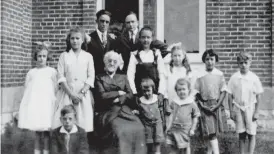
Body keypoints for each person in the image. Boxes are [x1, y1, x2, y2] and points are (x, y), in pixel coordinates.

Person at [94, 51, 146, 154]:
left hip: (125, 110)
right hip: (109, 111)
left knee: (139, 127)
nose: (112, 64)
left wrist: (119, 99)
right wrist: (118, 92)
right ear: (105, 62)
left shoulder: (123, 77)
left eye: (114, 61)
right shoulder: (99, 78)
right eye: (109, 61)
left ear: (118, 64)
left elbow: (130, 94)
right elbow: (102, 96)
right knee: (119, 131)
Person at [52, 27, 94, 133]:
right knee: (66, 122)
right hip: (67, 93)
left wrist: (81, 93)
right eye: (72, 38)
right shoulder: (64, 56)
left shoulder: (88, 56)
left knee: (82, 124)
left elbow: (90, 77)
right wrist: (71, 94)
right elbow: (61, 77)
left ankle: (80, 147)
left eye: (77, 38)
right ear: (69, 40)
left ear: (82, 40)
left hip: (82, 95)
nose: (75, 41)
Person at [18, 41, 57, 154]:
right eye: (39, 56)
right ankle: (36, 152)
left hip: (46, 105)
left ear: (47, 57)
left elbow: (55, 88)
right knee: (37, 132)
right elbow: (27, 90)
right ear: (36, 57)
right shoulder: (31, 73)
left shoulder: (52, 72)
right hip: (35, 105)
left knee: (45, 132)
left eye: (44, 56)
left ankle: (45, 151)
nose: (41, 58)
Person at [227, 51, 263, 154]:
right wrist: (231, 111)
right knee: (241, 133)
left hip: (250, 108)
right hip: (238, 108)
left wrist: (257, 111)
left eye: (246, 62)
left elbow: (258, 95)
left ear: (250, 63)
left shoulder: (254, 78)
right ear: (238, 63)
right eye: (241, 62)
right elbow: (229, 95)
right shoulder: (234, 78)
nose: (243, 65)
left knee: (251, 133)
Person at [194, 49, 227, 154]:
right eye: (207, 59)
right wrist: (202, 105)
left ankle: (213, 152)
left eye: (212, 59)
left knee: (212, 132)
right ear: (204, 61)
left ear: (215, 60)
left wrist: (217, 105)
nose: (209, 62)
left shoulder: (219, 74)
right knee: (209, 131)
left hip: (216, 105)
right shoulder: (200, 75)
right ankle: (211, 151)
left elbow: (223, 91)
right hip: (205, 106)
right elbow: (196, 91)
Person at [132, 78, 170, 154]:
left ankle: (157, 152)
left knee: (157, 142)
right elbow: (141, 112)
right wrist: (136, 112)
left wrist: (164, 121)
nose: (146, 93)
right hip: (147, 124)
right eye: (144, 91)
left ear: (153, 89)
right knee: (148, 142)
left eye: (148, 90)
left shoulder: (157, 99)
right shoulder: (140, 100)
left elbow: (161, 110)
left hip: (157, 124)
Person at [127, 26, 165, 96]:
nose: (146, 40)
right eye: (143, 37)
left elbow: (162, 74)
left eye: (148, 37)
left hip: (155, 92)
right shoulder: (135, 55)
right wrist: (134, 93)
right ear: (140, 38)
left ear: (152, 39)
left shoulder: (156, 54)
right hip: (139, 92)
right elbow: (130, 76)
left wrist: (161, 92)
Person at [166, 78, 200, 154]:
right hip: (175, 128)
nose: (182, 91)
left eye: (184, 89)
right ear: (176, 91)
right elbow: (171, 116)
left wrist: (193, 129)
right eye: (179, 90)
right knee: (174, 147)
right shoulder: (174, 102)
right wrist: (168, 126)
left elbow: (195, 117)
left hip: (185, 129)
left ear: (188, 90)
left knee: (186, 146)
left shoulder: (191, 103)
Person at [87, 9, 117, 75]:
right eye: (102, 21)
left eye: (107, 22)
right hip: (94, 75)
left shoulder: (113, 39)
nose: (104, 24)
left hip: (108, 77)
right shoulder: (90, 38)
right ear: (97, 21)